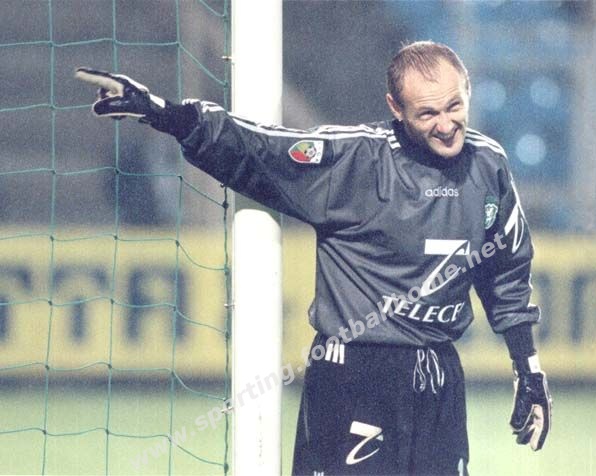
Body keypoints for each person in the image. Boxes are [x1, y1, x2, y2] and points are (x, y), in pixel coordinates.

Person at [76, 40, 552, 476]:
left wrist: (527, 369)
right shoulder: (356, 161)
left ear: (467, 92)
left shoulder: (488, 165)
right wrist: (162, 112)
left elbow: (506, 272)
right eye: (427, 113)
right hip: (357, 373)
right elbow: (258, 146)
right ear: (395, 108)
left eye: (454, 106)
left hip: (439, 376)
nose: (446, 125)